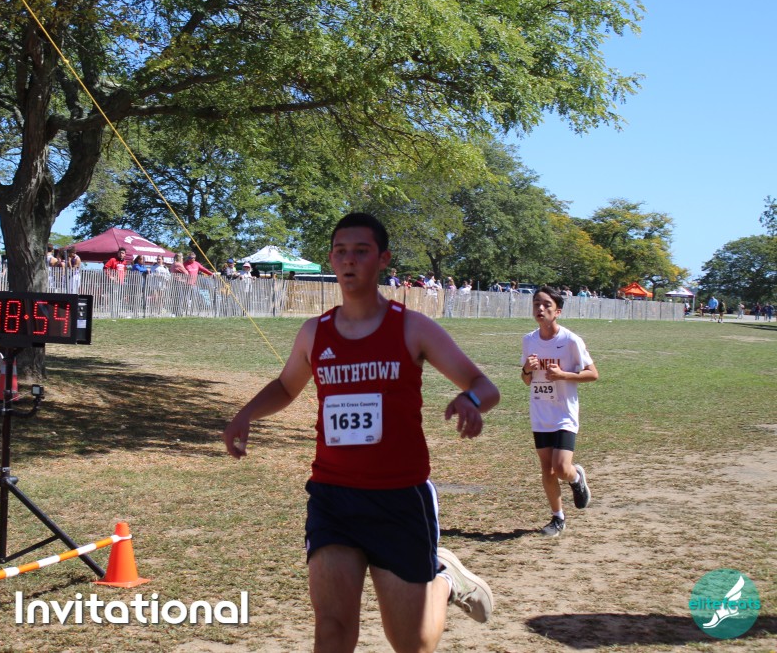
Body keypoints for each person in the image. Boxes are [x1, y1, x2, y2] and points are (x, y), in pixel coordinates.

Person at [223, 213, 498, 652]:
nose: (349, 260)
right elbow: (286, 386)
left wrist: (471, 400)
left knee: (413, 643)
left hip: (400, 499)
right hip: (334, 497)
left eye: (361, 251)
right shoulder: (315, 332)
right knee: (332, 630)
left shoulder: (411, 327)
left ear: (382, 259)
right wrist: (246, 414)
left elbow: (485, 386)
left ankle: (445, 580)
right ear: (332, 260)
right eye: (341, 251)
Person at [521, 286, 598, 537]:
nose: (540, 308)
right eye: (536, 304)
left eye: (546, 305)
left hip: (564, 412)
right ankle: (557, 518)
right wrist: (527, 369)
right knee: (547, 469)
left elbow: (593, 374)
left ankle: (576, 479)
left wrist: (564, 375)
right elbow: (526, 380)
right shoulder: (529, 340)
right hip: (540, 412)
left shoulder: (570, 341)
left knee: (562, 468)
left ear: (558, 312)